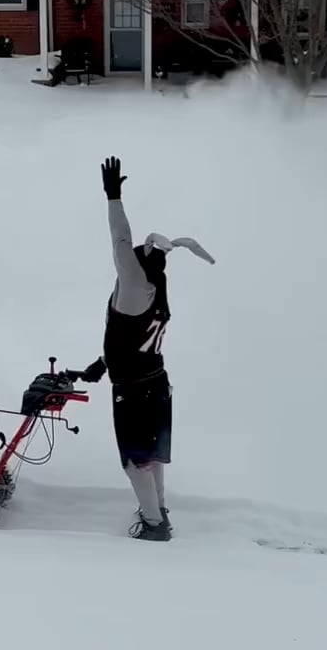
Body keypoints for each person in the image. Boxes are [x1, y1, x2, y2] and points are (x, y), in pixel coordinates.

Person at [76, 156, 215, 541]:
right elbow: (132, 340)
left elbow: (120, 239)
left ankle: (154, 525)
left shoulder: (134, 286)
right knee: (152, 454)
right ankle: (158, 509)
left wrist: (113, 197)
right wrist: (104, 361)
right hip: (156, 381)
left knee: (134, 460)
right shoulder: (156, 289)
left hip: (135, 390)